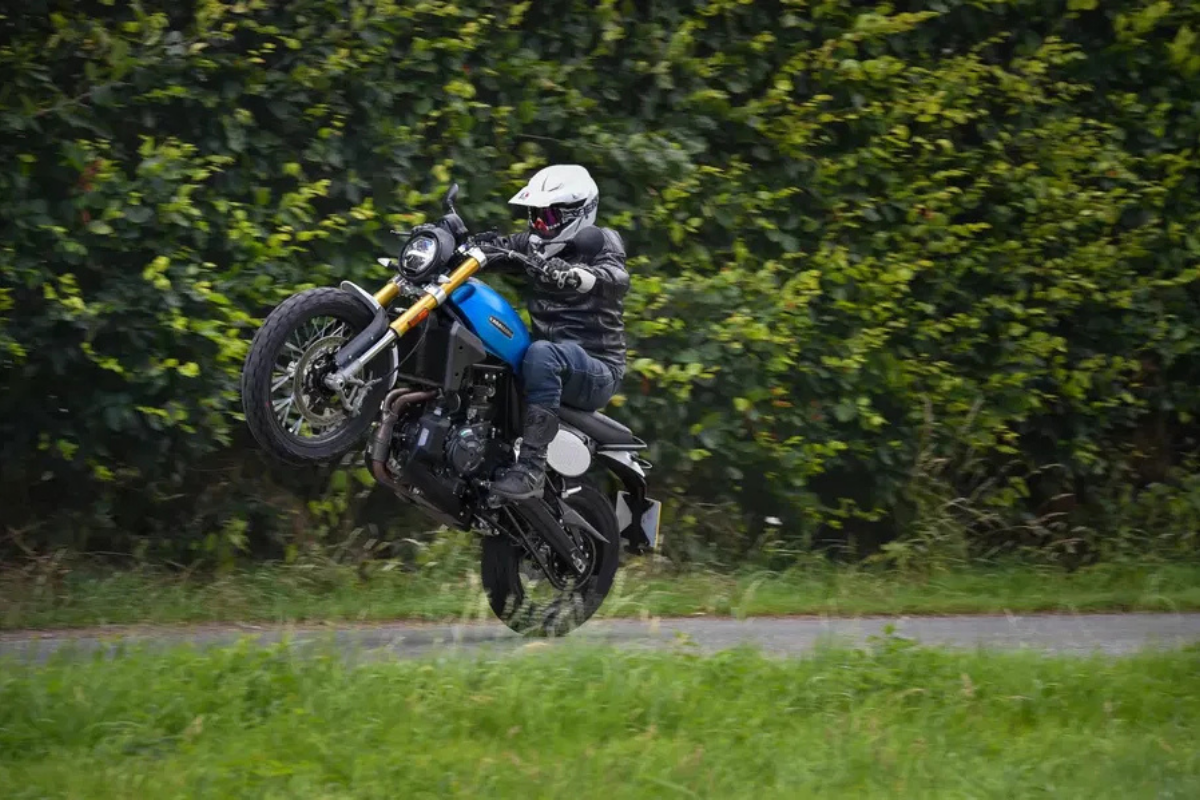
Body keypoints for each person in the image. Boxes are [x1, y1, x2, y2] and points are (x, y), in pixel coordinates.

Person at [475, 164, 630, 501]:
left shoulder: (601, 242)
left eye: (548, 217)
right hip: (548, 361)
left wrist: (578, 274)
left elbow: (615, 276)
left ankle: (531, 467)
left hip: (597, 368)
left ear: (580, 213)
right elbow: (496, 249)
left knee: (540, 353)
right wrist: (457, 243)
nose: (539, 226)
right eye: (535, 216)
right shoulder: (532, 244)